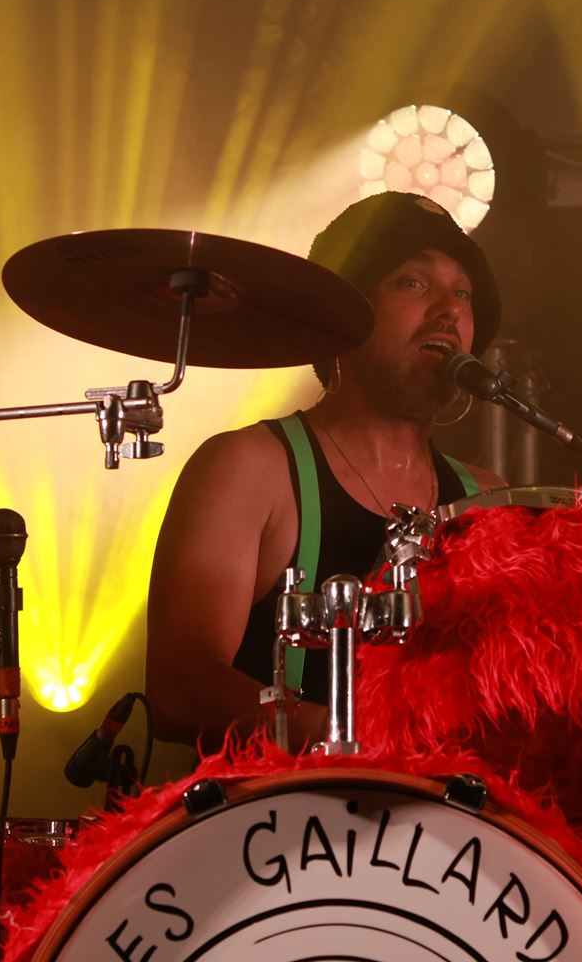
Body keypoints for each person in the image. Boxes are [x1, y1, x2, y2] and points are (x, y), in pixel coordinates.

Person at [146, 192, 507, 749]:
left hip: (450, 809)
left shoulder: (489, 497)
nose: (449, 310)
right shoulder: (250, 468)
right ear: (343, 315)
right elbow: (180, 690)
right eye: (413, 282)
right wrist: (357, 739)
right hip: (286, 806)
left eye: (462, 293)